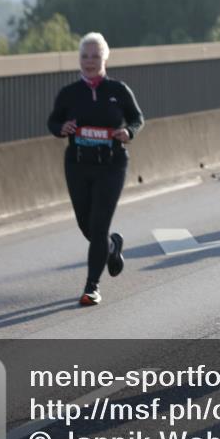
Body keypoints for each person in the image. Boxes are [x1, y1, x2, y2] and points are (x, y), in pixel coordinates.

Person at [47, 32, 143, 305]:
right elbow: (53, 122)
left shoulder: (118, 91)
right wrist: (60, 128)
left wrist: (128, 131)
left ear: (105, 58)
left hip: (111, 165)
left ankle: (92, 286)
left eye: (95, 56)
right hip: (77, 164)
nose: (89, 62)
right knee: (85, 224)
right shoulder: (69, 94)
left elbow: (137, 118)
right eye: (84, 56)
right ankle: (112, 246)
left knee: (98, 226)